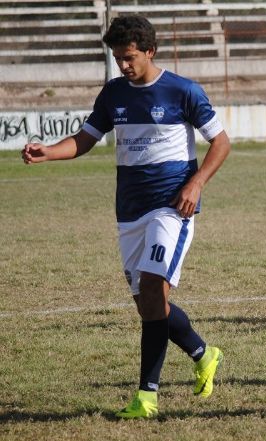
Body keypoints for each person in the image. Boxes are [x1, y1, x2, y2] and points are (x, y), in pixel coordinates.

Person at [20, 16, 229, 418]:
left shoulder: (183, 91)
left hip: (172, 206)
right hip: (129, 210)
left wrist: (196, 183)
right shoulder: (113, 93)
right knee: (148, 304)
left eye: (130, 57)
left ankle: (146, 396)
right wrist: (49, 152)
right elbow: (85, 139)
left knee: (152, 286)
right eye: (118, 58)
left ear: (150, 51)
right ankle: (204, 353)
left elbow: (220, 142)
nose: (124, 65)